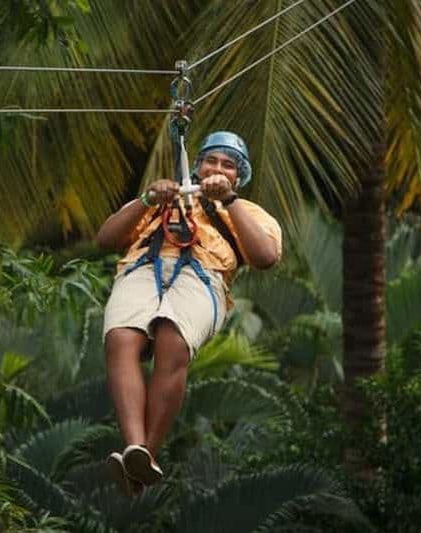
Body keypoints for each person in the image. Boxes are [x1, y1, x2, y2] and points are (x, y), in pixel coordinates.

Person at [95, 130, 282, 495]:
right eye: (211, 160)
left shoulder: (250, 212)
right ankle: (135, 447)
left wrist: (228, 200)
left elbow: (264, 257)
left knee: (172, 339)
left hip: (203, 275)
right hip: (143, 267)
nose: (217, 167)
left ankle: (146, 454)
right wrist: (149, 198)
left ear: (238, 176)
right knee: (120, 338)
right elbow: (105, 239)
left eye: (228, 165)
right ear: (197, 166)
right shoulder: (165, 198)